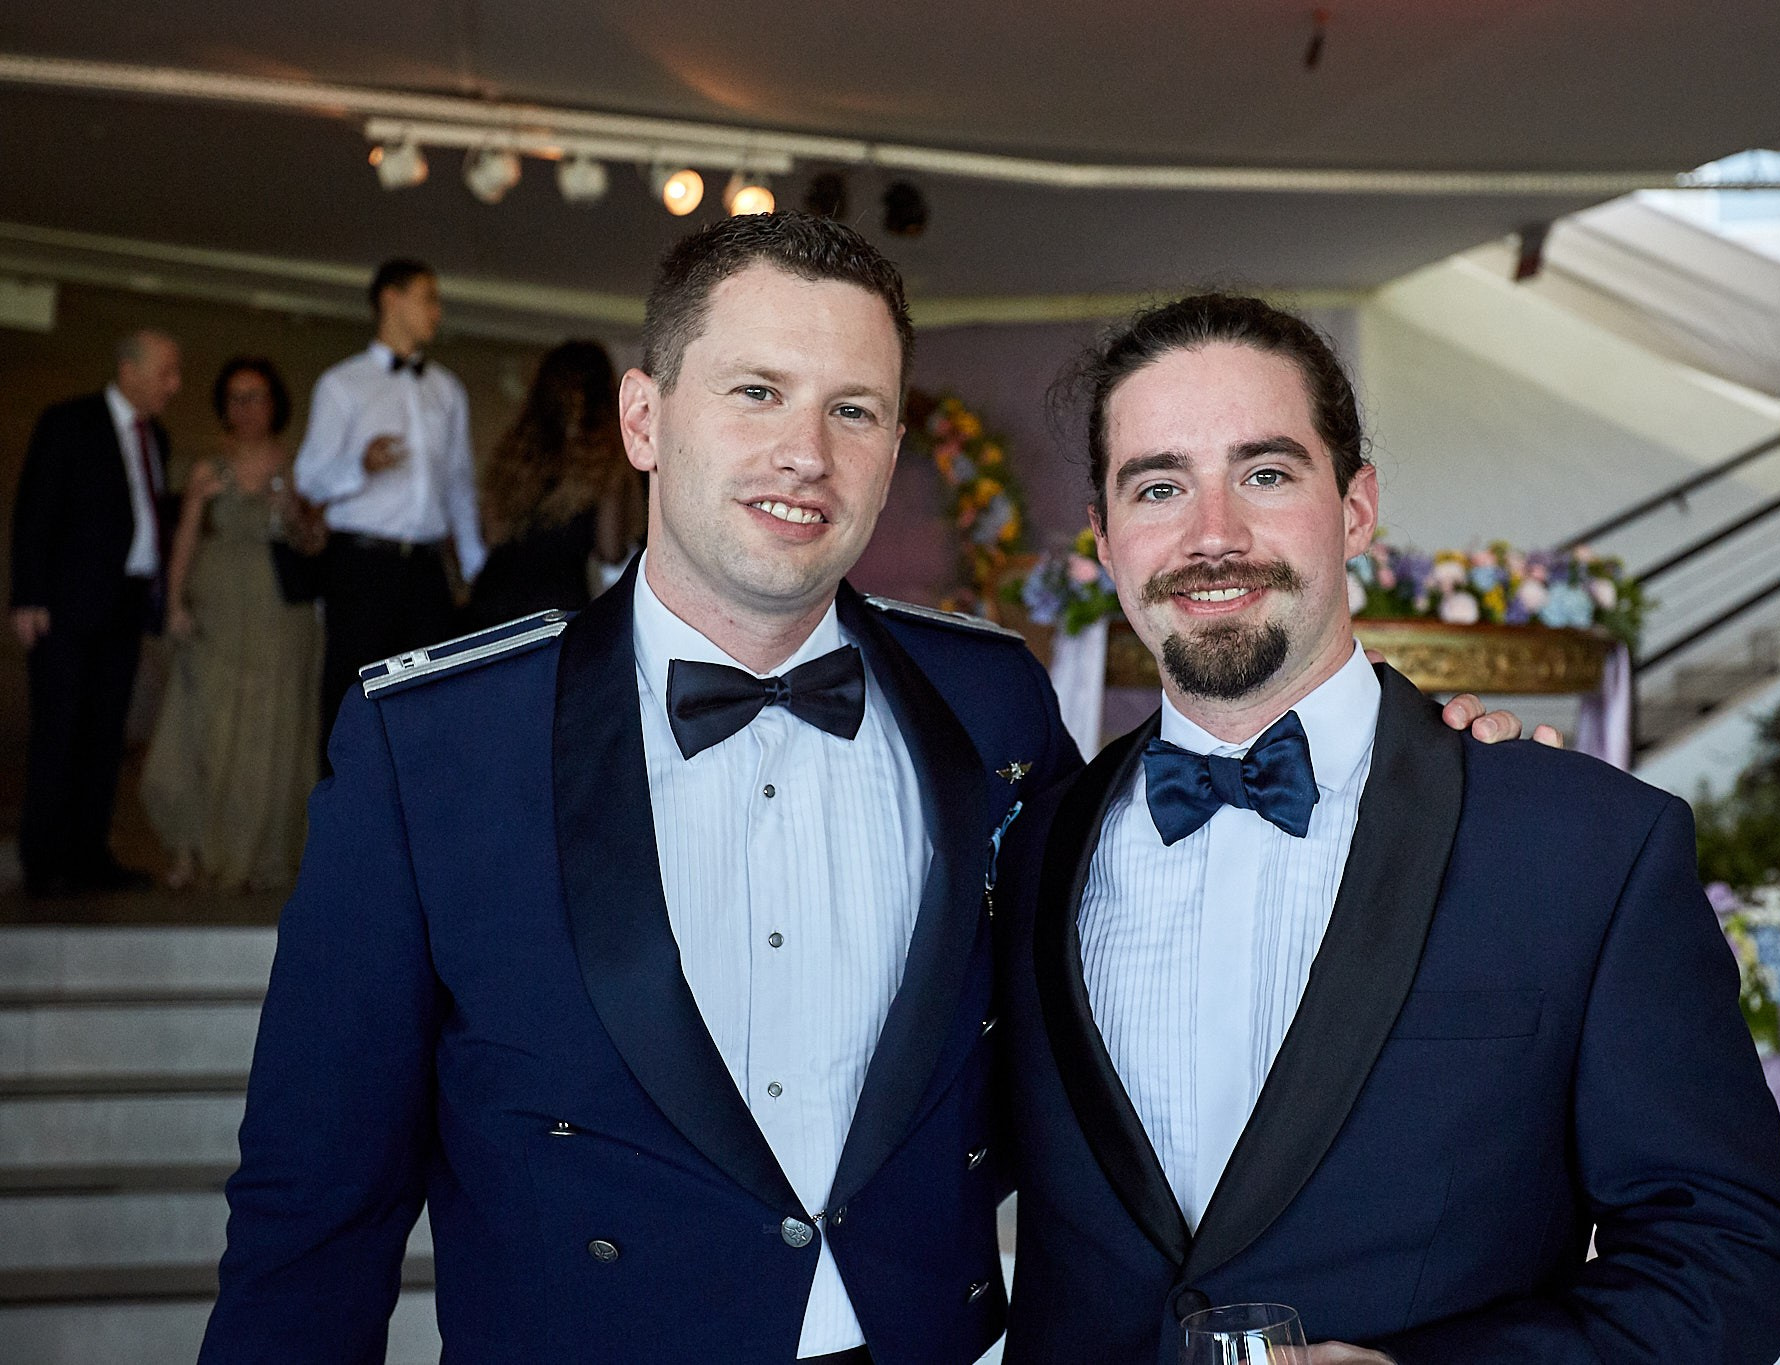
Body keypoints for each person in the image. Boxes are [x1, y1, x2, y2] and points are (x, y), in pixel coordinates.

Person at [202, 219, 1536, 1364]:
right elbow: (315, 1206)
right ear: (645, 418)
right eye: (757, 392)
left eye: (853, 410)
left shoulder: (992, 704)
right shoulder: (436, 742)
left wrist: (1418, 758)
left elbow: (1145, 966)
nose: (807, 452)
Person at [994, 294, 1780, 1364]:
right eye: (1159, 486)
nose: (1212, 536)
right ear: (1104, 541)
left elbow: (1729, 1248)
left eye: (1264, 474)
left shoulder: (1582, 848)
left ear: (1353, 509)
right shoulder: (1025, 852)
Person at [141, 357, 324, 892]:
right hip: (218, 610)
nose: (247, 408)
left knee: (271, 729)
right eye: (237, 397)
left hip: (279, 614)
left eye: (258, 396)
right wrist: (173, 604)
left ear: (275, 404)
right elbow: (185, 541)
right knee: (203, 723)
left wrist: (292, 511)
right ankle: (191, 849)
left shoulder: (298, 467)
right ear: (224, 406)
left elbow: (317, 544)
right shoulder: (207, 468)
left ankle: (266, 855)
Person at [9, 329, 181, 895]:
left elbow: (148, 515)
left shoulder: (158, 436)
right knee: (60, 730)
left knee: (106, 734)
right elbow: (37, 507)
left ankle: (89, 855)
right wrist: (28, 596)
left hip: (124, 605)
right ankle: (45, 861)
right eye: (166, 373)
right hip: (67, 605)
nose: (174, 386)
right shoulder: (70, 421)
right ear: (129, 371)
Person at [294, 257, 485, 758]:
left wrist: (474, 569)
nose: (437, 312)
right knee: (350, 702)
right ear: (390, 299)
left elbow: (460, 486)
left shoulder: (447, 390)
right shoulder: (343, 385)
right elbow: (309, 479)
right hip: (361, 565)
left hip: (425, 569)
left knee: (429, 703)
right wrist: (360, 466)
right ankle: (342, 824)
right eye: (428, 298)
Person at [464, 339, 639, 625]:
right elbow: (611, 550)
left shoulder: (518, 451)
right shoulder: (605, 460)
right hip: (555, 605)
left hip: (493, 595)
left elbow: (490, 533)